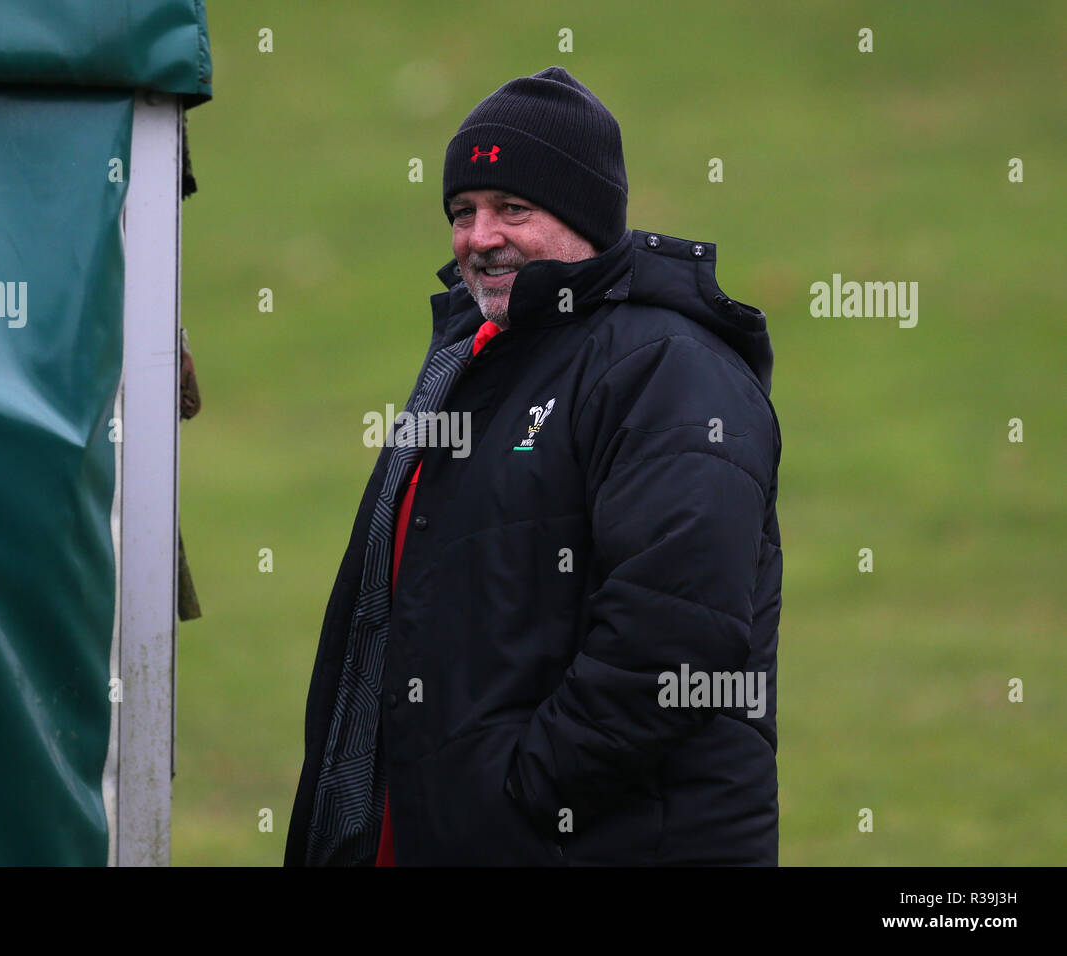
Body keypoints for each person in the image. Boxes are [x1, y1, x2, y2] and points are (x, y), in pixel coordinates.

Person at [285, 66, 782, 866]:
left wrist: (521, 795)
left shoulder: (669, 371)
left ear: (585, 216)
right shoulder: (477, 362)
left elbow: (676, 638)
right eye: (463, 212)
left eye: (514, 208)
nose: (480, 237)